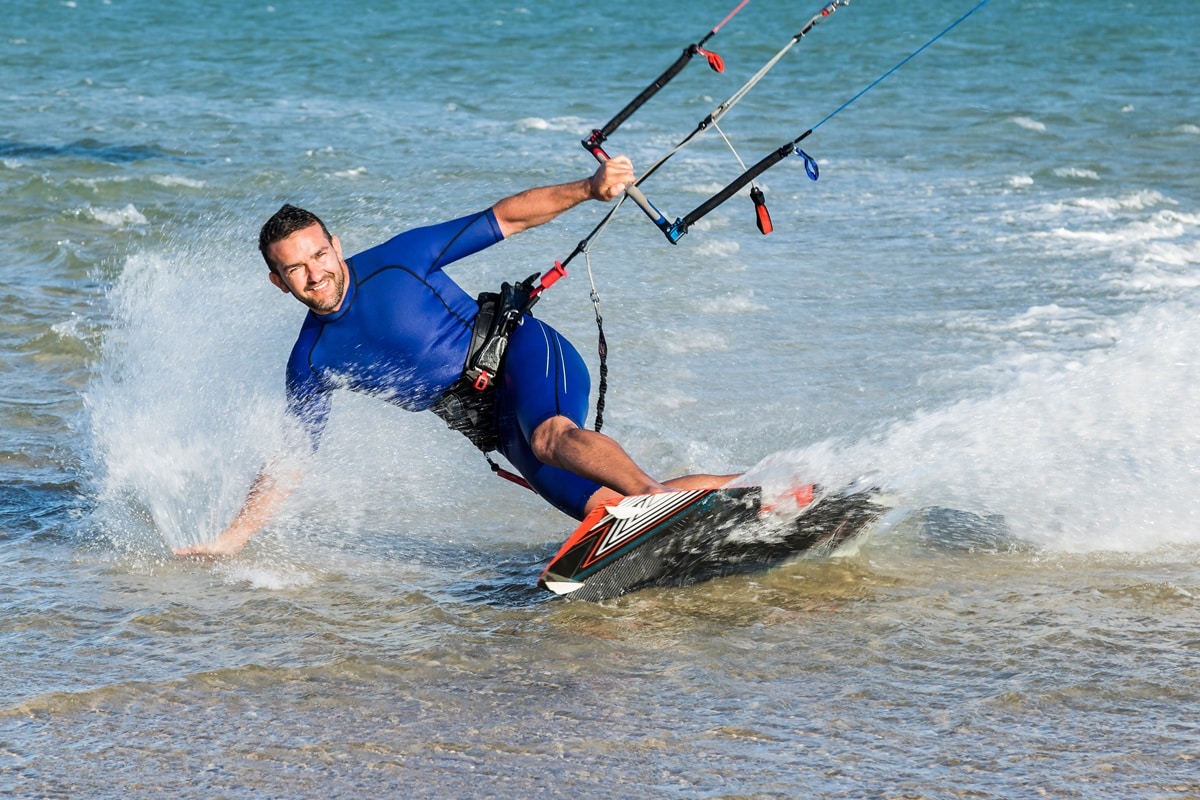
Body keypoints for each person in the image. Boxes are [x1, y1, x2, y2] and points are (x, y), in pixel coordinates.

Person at [175, 156, 735, 557]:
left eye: (319, 254)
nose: (315, 272)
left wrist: (589, 188)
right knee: (607, 511)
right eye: (296, 268)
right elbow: (291, 458)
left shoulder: (400, 259)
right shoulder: (311, 360)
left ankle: (662, 504)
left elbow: (505, 218)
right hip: (490, 421)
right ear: (279, 282)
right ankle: (760, 489)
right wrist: (232, 539)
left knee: (552, 438)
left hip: (522, 354)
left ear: (335, 246)